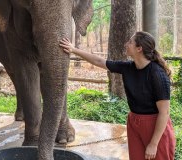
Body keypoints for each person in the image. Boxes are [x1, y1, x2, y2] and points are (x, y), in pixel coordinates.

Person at [59, 31, 176, 160]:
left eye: (130, 42)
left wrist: (154, 144)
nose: (126, 44)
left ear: (139, 48)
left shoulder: (157, 74)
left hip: (155, 127)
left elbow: (164, 113)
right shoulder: (128, 68)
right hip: (134, 122)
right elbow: (99, 61)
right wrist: (73, 49)